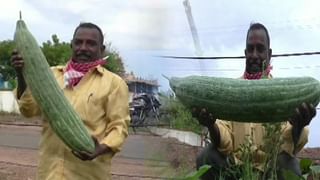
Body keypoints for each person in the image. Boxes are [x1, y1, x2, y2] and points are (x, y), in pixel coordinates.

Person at [193, 23, 316, 180]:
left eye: (260, 48)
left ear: (269, 54)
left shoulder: (283, 93)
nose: (255, 55)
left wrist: (298, 127)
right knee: (206, 157)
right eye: (250, 49)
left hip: (269, 172)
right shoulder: (230, 92)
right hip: (236, 171)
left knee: (289, 164)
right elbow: (225, 141)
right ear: (245, 53)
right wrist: (211, 125)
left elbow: (286, 145)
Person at [11, 22, 130, 180]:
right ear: (71, 45)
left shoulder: (114, 84)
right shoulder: (50, 76)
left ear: (101, 50)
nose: (83, 47)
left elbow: (119, 127)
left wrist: (100, 148)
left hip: (88, 174)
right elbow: (28, 110)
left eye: (91, 44)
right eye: (78, 42)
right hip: (50, 173)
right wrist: (21, 74)